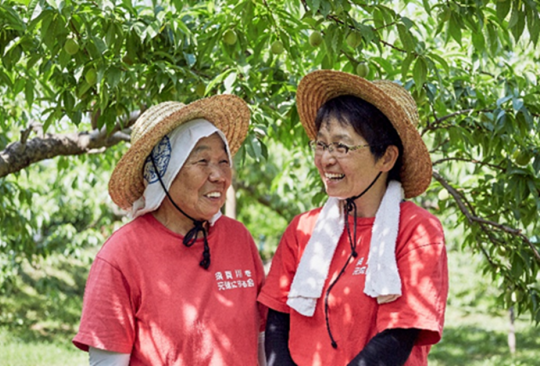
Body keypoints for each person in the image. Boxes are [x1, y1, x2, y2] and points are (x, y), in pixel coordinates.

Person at [258, 70, 448, 366]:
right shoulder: (303, 229)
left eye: (342, 146)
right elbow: (277, 321)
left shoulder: (416, 230)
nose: (326, 158)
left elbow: (398, 336)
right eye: (321, 144)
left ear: (386, 157)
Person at [73, 95, 266, 365]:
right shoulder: (121, 256)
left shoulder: (238, 238)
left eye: (224, 162)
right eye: (202, 161)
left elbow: (261, 340)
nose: (219, 176)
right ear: (165, 172)